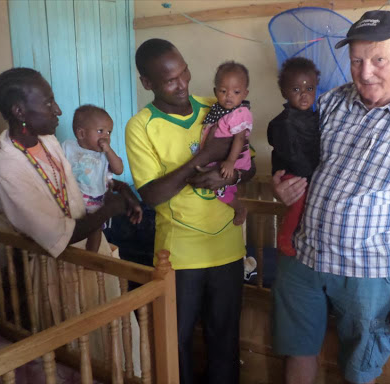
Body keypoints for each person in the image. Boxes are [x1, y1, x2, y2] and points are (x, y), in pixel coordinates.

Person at [271, 10, 390, 384]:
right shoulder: (330, 104)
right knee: (298, 351)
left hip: (369, 275)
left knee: (361, 370)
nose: (365, 72)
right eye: (356, 60)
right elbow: (300, 162)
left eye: (378, 60)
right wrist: (283, 187)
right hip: (304, 259)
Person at [125, 38, 256, 384]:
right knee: (176, 342)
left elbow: (250, 166)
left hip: (226, 247)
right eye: (170, 80)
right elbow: (152, 194)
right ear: (148, 84)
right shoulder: (141, 127)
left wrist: (230, 173)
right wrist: (202, 158)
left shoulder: (217, 106)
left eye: (184, 73)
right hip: (178, 255)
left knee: (225, 341)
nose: (182, 84)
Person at [0, 67, 142, 356]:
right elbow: (57, 239)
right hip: (58, 273)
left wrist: (121, 190)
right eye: (48, 103)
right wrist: (108, 210)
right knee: (83, 355)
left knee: (117, 346)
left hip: (95, 258)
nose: (58, 110)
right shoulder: (7, 170)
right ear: (19, 111)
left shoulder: (48, 142)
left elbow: (83, 188)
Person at [62, 105, 140, 253]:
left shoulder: (104, 154)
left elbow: (119, 169)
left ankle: (92, 257)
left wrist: (109, 151)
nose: (106, 136)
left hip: (94, 198)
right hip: (71, 196)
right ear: (81, 133)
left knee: (95, 227)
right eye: (100, 131)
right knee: (69, 225)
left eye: (109, 132)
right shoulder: (68, 147)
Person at [267, 57, 320, 256]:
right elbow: (292, 156)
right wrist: (312, 175)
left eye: (310, 89)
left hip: (307, 173)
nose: (304, 95)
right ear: (284, 92)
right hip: (292, 174)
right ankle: (284, 238)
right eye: (296, 90)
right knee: (298, 205)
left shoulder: (317, 117)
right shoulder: (284, 123)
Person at [201, 61, 252, 226]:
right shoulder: (218, 110)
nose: (229, 96)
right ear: (215, 92)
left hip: (233, 161)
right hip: (219, 158)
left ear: (245, 94)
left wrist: (230, 162)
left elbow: (239, 139)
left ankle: (239, 208)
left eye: (236, 92)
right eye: (223, 91)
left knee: (220, 191)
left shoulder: (240, 113)